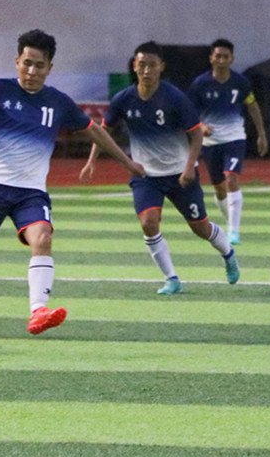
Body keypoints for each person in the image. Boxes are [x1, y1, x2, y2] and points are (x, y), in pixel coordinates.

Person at [0, 29, 145, 334]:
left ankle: (38, 311)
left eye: (39, 65)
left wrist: (127, 162)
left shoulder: (58, 102)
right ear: (17, 61)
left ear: (49, 68)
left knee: (42, 238)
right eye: (27, 63)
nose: (31, 71)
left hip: (30, 192)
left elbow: (94, 130)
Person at [81, 41, 239, 295]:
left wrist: (189, 167)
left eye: (152, 65)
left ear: (161, 67)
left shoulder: (175, 98)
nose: (146, 70)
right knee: (148, 223)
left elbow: (196, 134)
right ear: (134, 66)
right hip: (145, 175)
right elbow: (103, 131)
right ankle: (171, 279)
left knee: (200, 227)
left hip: (180, 174)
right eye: (142, 64)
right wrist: (91, 161)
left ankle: (228, 254)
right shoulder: (124, 99)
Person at [187, 38, 268, 245]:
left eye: (226, 57)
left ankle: (233, 231)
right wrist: (200, 126)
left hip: (234, 138)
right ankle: (230, 219)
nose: (222, 60)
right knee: (219, 189)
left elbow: (252, 105)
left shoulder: (241, 82)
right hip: (210, 143)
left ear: (232, 59)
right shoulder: (200, 84)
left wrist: (261, 134)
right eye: (218, 56)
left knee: (231, 179)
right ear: (211, 58)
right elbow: (188, 112)